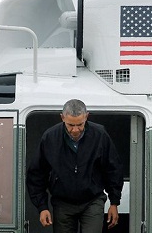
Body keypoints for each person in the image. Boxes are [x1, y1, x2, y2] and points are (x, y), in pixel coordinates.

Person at [26, 99, 124, 232]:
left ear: (87, 116)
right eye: (71, 125)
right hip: (62, 202)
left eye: (80, 124)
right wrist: (42, 207)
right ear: (62, 118)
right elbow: (37, 173)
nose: (75, 130)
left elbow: (113, 168)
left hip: (92, 200)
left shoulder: (100, 135)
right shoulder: (50, 137)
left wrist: (114, 202)